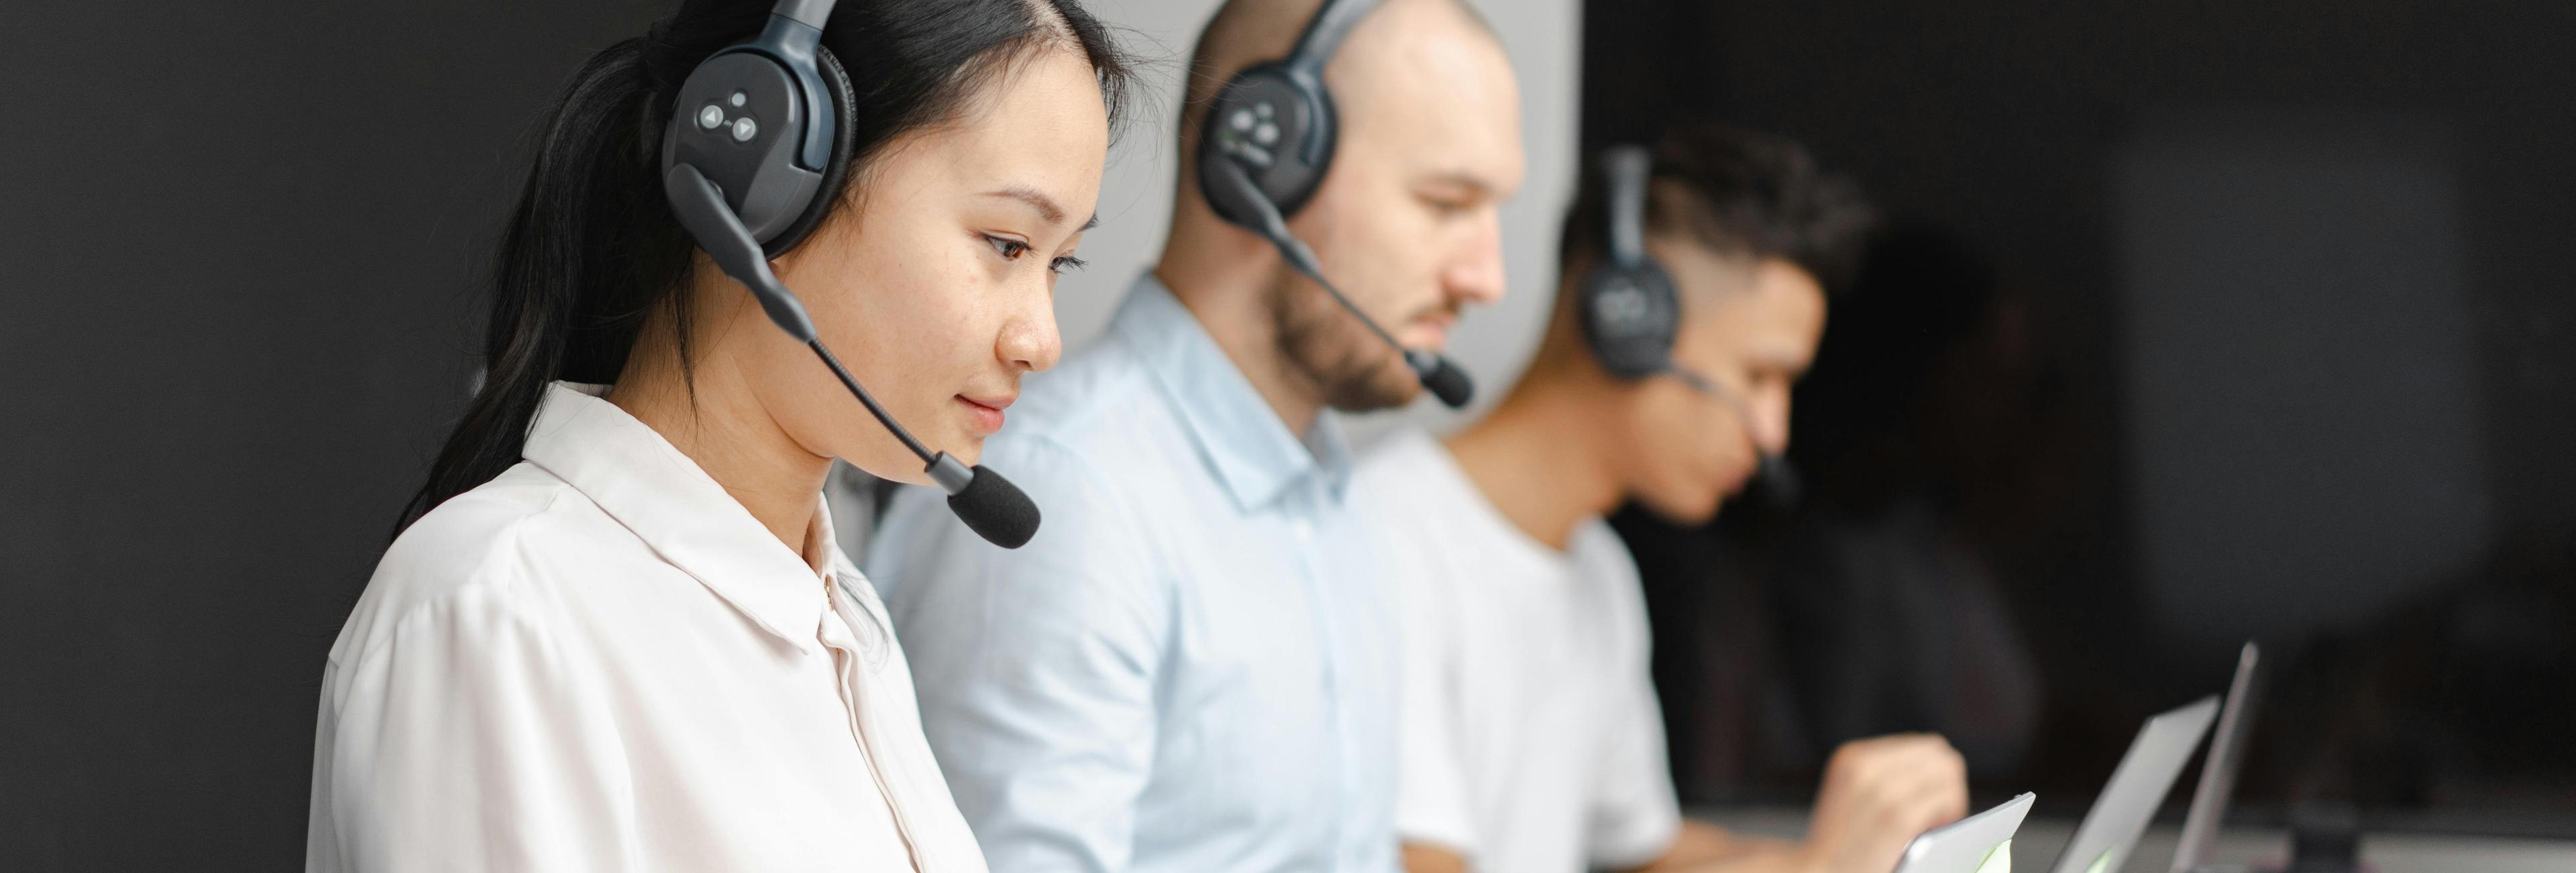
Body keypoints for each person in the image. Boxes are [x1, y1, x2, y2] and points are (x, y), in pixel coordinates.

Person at [305, 1, 1130, 870]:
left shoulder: (846, 625)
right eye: (1006, 244)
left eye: (1058, 262)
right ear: (765, 184)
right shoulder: (499, 611)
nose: (1040, 338)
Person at [862, 0, 1523, 869]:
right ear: (1263, 161)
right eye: (1445, 202)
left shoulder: (1336, 504)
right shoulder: (1070, 502)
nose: (1487, 277)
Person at [1352, 127, 1970, 873]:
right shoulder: (1385, 537)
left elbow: (1651, 857)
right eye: (1758, 376)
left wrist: (1855, 857)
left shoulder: (1597, 571)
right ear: (1626, 320)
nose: (1773, 434)